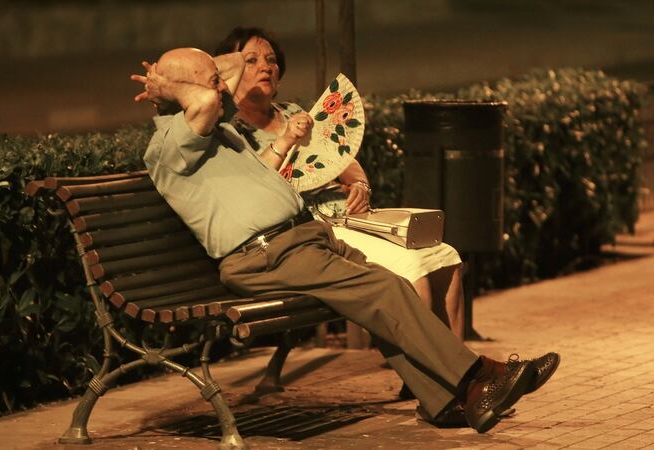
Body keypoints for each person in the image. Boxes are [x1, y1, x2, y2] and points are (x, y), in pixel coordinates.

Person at [131, 47, 558, 434]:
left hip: (301, 240)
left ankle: (444, 400)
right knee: (383, 290)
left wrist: (195, 73)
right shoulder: (170, 142)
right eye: (210, 82)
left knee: (390, 288)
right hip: (265, 255)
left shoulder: (216, 132)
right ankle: (481, 378)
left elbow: (231, 66)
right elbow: (204, 97)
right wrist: (167, 83)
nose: (222, 87)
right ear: (182, 94)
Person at [214, 27, 466, 342]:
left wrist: (360, 185)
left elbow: (340, 158)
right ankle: (438, 377)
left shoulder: (292, 112)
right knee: (411, 269)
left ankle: (463, 370)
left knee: (444, 256)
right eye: (251, 60)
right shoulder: (230, 132)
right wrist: (287, 138)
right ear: (229, 74)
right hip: (309, 231)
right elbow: (256, 191)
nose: (265, 66)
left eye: (271, 60)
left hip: (349, 215)